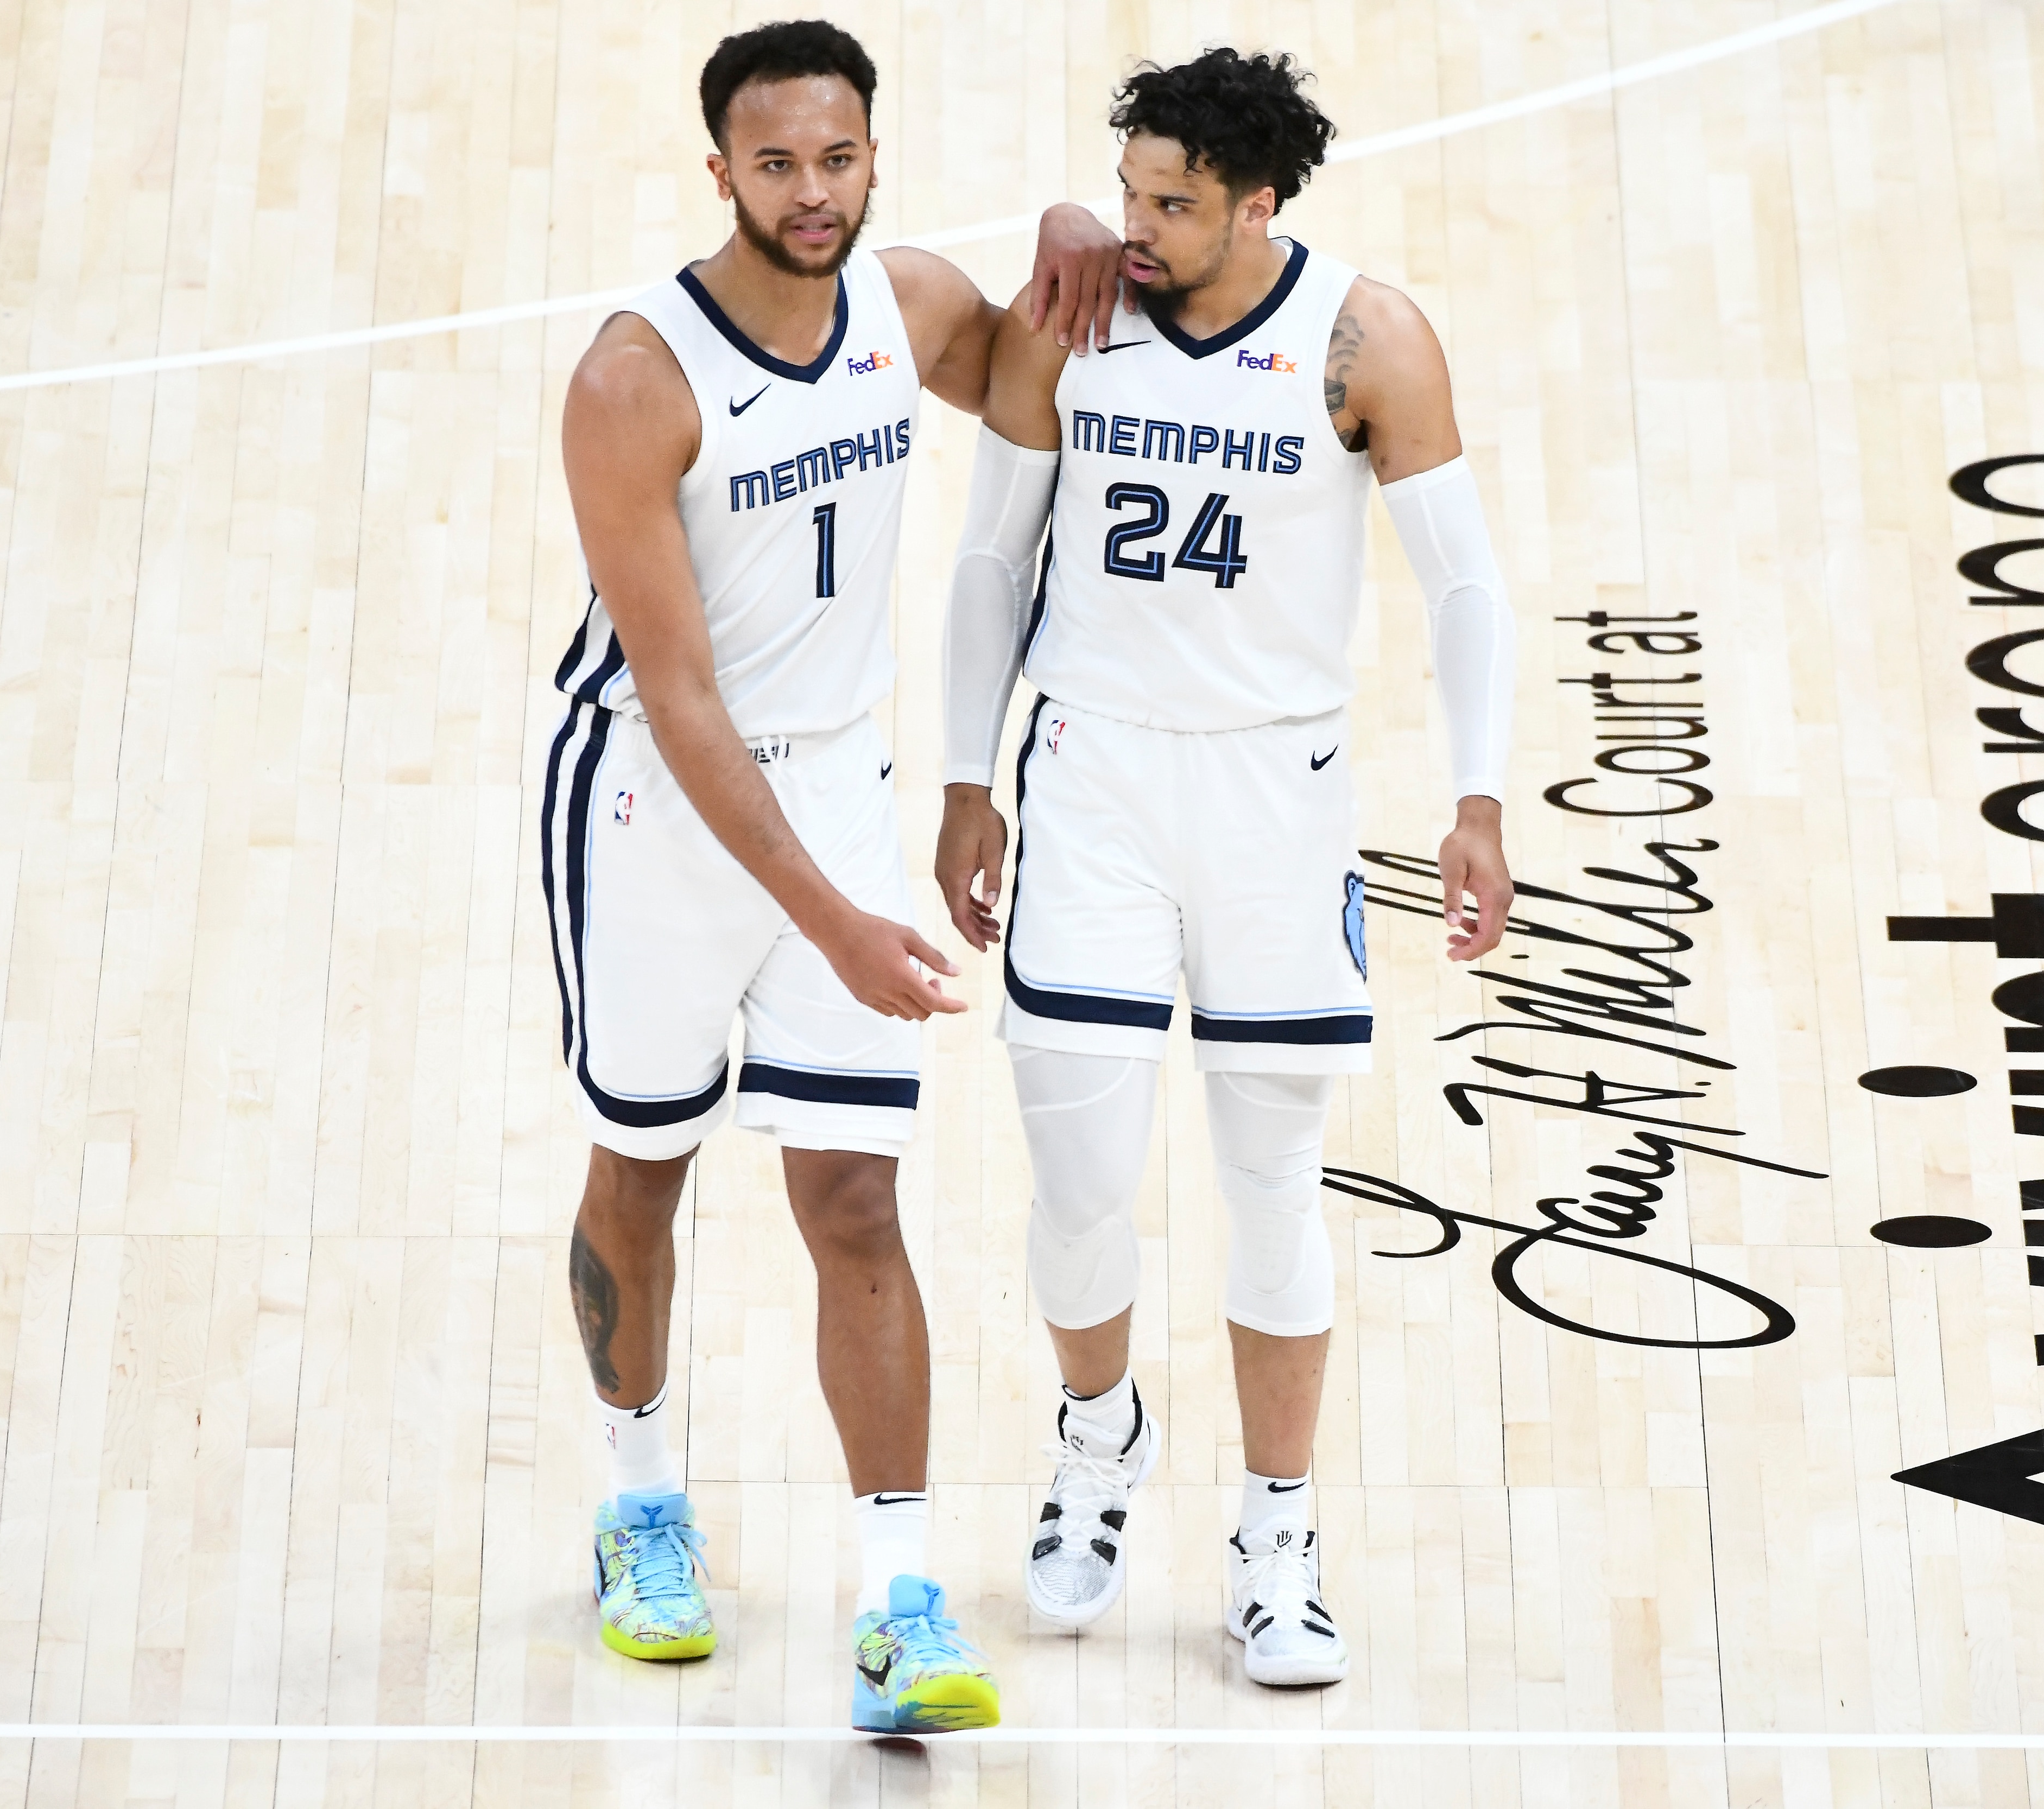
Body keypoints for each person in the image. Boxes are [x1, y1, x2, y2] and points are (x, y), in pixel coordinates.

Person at [546, 18, 1122, 1734]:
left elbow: (1029, 378)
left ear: (875, 158)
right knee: (643, 1167)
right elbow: (681, 702)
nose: (813, 192)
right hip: (654, 802)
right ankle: (640, 1504)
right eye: (778, 164)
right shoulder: (635, 380)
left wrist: (1069, 239)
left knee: (855, 1202)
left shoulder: (905, 304)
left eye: (839, 159)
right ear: (720, 172)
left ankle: (897, 1604)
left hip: (838, 784)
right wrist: (839, 925)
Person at [933, 47, 1517, 1688]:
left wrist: (1478, 799)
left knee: (1273, 1189)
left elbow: (1465, 584)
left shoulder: (1365, 338)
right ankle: (1095, 1439)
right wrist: (969, 776)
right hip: (1095, 786)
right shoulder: (1072, 316)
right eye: (1126, 189)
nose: (1135, 224)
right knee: (1079, 1182)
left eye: (1173, 202)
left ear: (1261, 204)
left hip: (1279, 798)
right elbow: (989, 556)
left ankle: (1279, 1533)